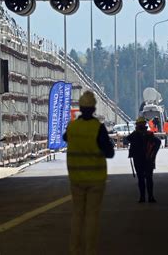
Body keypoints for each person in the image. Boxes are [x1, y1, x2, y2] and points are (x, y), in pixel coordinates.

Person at [63, 91, 115, 255]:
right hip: (95, 179)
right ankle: (90, 251)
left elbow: (66, 138)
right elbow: (109, 153)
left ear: (80, 107)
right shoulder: (98, 128)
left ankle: (74, 250)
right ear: (93, 109)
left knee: (77, 215)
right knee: (92, 216)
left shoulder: (72, 127)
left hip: (76, 179)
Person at [126, 117, 161, 203]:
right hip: (148, 159)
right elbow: (158, 142)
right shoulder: (148, 134)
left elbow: (126, 139)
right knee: (147, 178)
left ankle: (143, 197)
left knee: (142, 178)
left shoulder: (137, 135)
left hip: (140, 159)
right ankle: (150, 197)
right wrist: (153, 154)